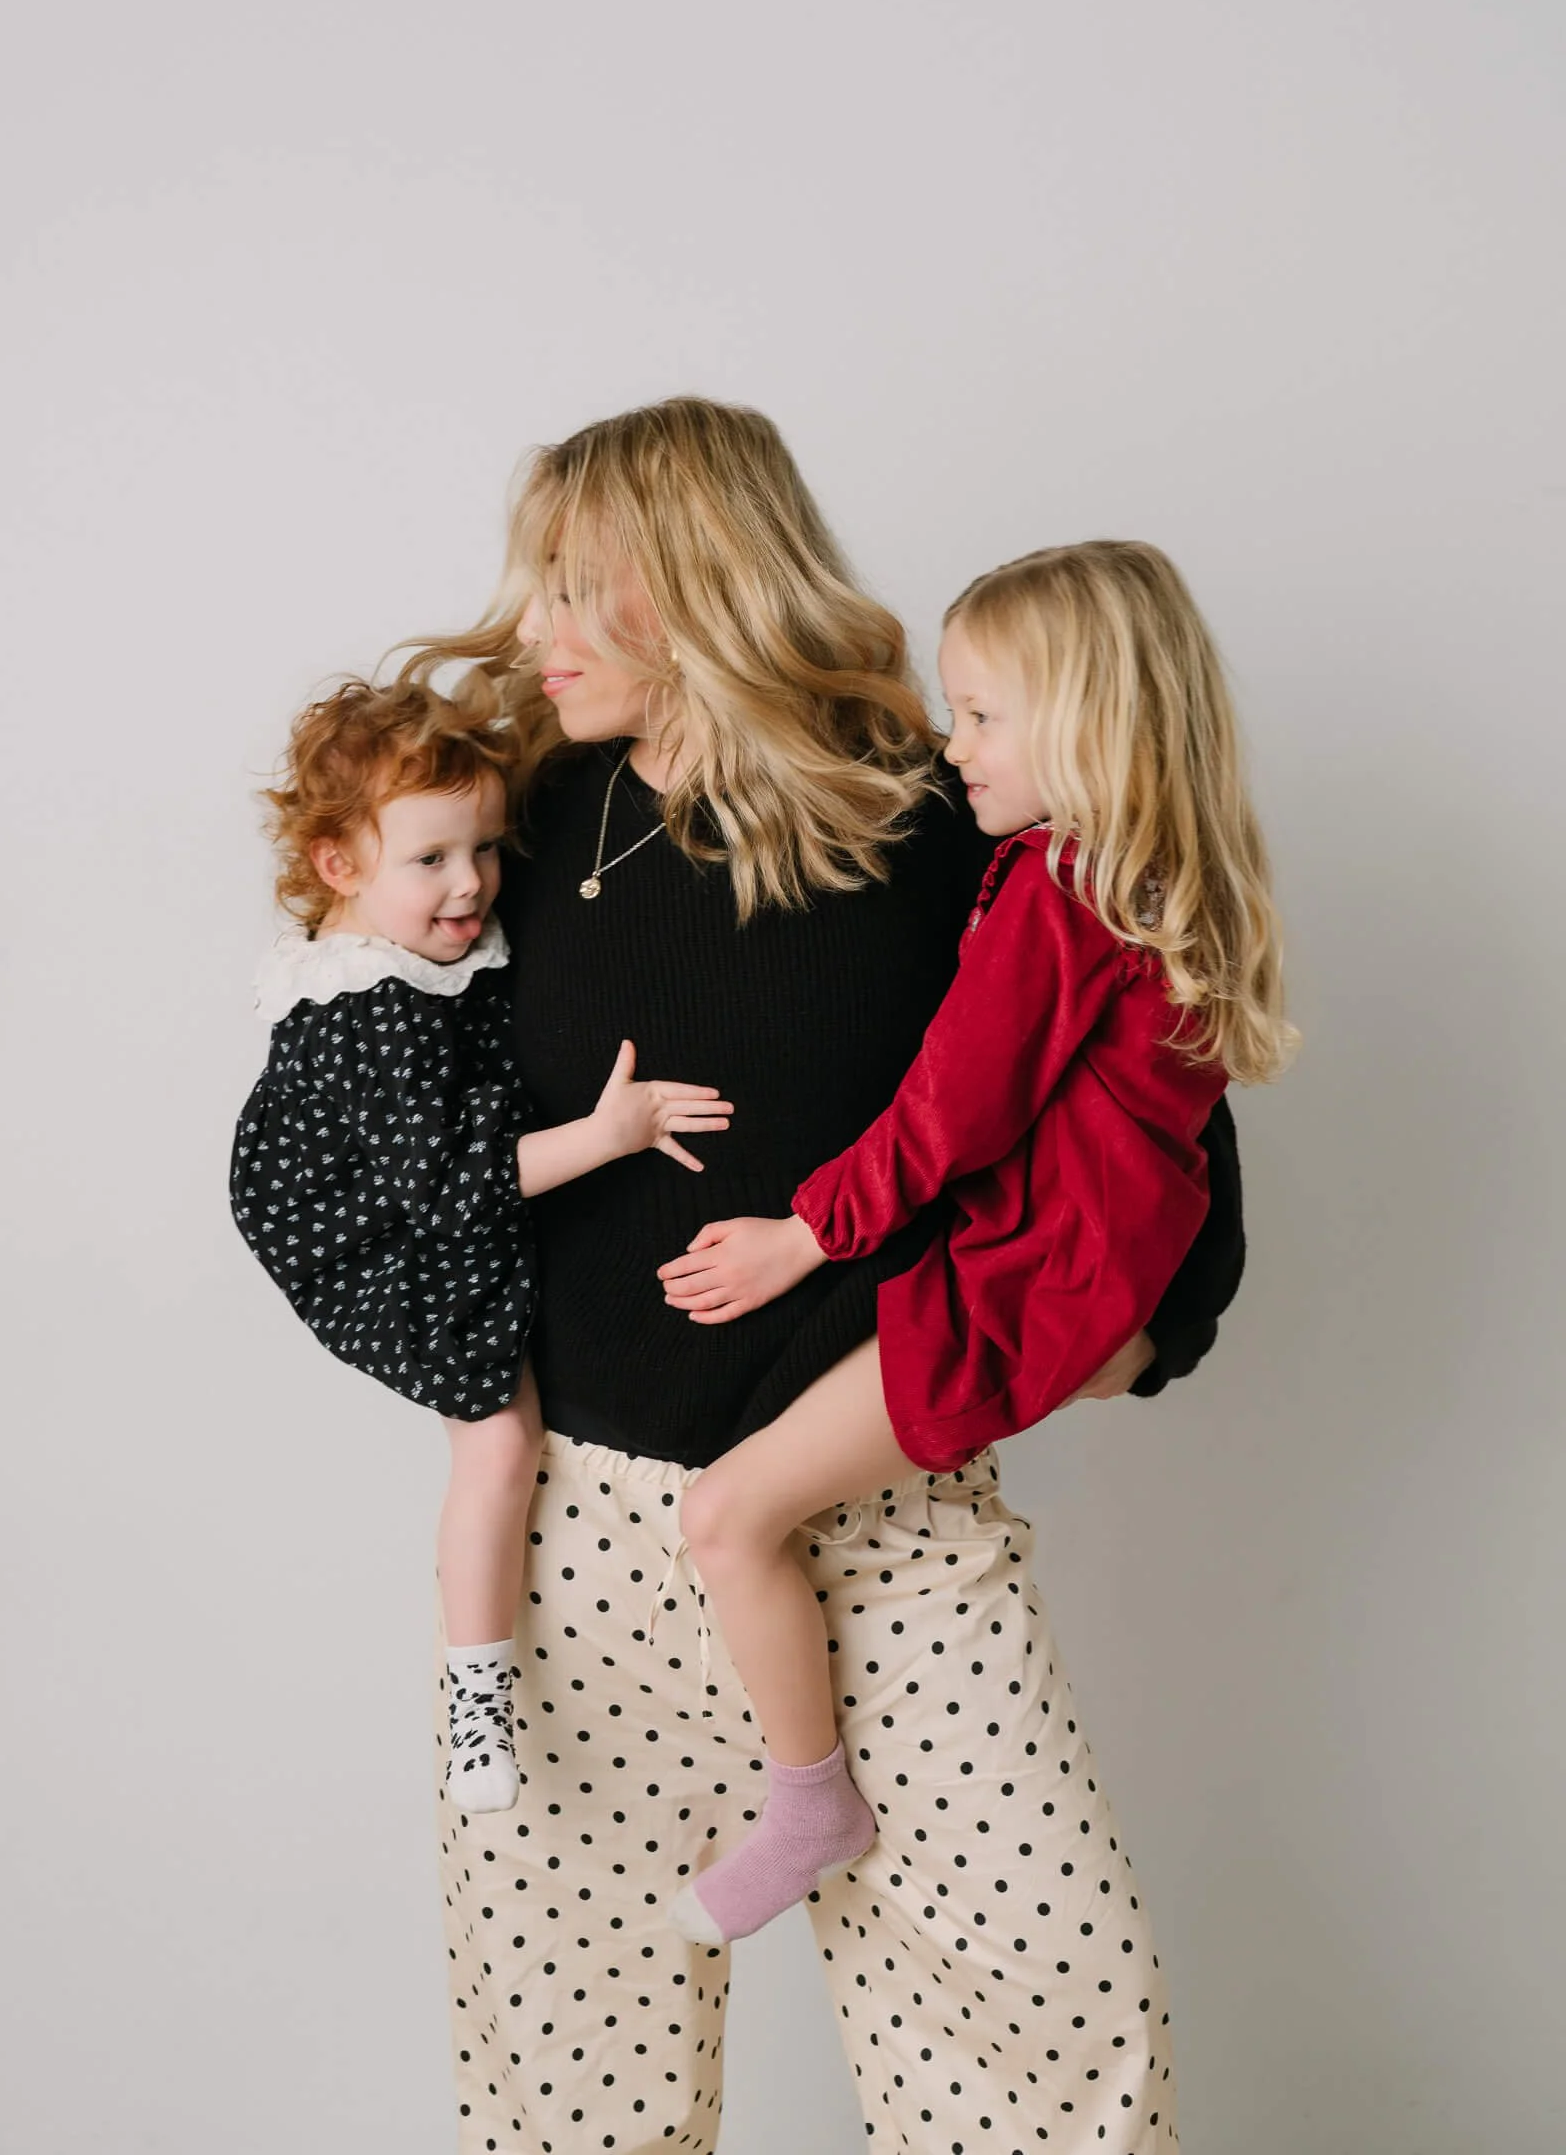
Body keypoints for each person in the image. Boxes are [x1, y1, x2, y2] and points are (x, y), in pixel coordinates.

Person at [405, 396, 1245, 2153]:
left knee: (1048, 2054)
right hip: (583, 1541)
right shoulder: (523, 834)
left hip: (887, 1529)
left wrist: (1064, 1350)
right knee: (573, 2103)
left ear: (699, 581)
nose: (536, 633)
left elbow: (1173, 1155)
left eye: (578, 588)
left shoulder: (944, 823)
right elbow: (381, 1117)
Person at [655, 540, 1295, 1944]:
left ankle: (812, 1799)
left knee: (725, 1513)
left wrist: (795, 1239)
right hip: (1073, 1285)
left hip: (1019, 1294)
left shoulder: (1062, 893)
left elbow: (950, 1112)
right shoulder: (1157, 885)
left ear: (1092, 723)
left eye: (986, 717)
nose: (957, 751)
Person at [229, 677, 731, 1811]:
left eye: (485, 851)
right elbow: (454, 1183)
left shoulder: (432, 943)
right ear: (338, 869)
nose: (471, 885)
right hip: (367, 1238)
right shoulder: (370, 1008)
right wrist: (613, 1133)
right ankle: (474, 1699)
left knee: (508, 1425)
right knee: (499, 1441)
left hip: (419, 1200)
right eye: (432, 862)